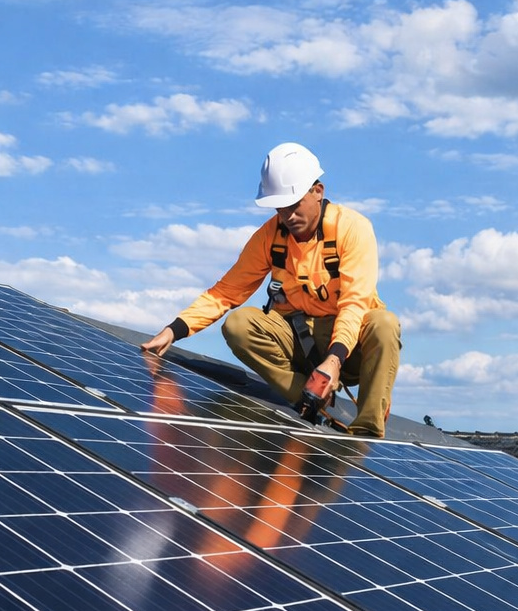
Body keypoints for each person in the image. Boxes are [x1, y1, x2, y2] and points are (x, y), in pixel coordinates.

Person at [140, 142, 402, 438]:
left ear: (318, 191)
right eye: (280, 208)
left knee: (384, 324)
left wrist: (334, 359)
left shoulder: (352, 228)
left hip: (349, 350)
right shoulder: (269, 236)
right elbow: (227, 291)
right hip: (298, 342)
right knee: (239, 324)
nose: (287, 216)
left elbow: (355, 304)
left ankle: (366, 430)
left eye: (294, 205)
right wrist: (175, 329)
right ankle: (308, 398)